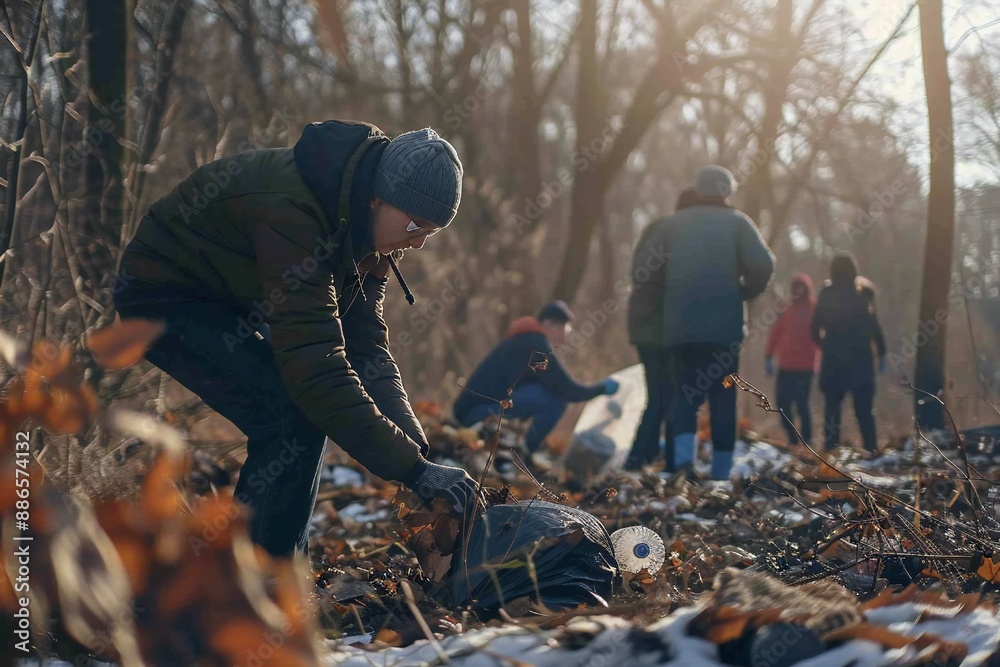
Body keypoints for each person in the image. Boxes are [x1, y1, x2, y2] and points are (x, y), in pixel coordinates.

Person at [113, 119, 480, 557]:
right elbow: (317, 367)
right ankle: (256, 592)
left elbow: (366, 349)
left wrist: (416, 451)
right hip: (163, 293)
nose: (418, 245)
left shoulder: (372, 233)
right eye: (415, 226)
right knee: (291, 418)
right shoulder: (295, 211)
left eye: (430, 234)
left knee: (298, 418)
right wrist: (413, 471)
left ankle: (268, 581)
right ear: (379, 197)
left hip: (231, 294)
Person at [644, 166, 775, 480]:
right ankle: (720, 474)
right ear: (726, 191)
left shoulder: (670, 226)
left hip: (680, 330)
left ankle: (681, 470)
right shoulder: (738, 224)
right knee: (722, 399)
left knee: (683, 397)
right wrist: (744, 292)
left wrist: (667, 299)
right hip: (724, 330)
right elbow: (764, 265)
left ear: (698, 189)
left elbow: (645, 271)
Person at [453, 300, 620, 459]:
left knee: (542, 391)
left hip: (471, 413)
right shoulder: (536, 347)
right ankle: (524, 454)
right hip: (476, 416)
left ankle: (516, 448)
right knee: (556, 400)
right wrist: (602, 388)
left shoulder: (521, 341)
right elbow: (570, 391)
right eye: (564, 330)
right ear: (548, 324)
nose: (564, 337)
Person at [624, 187, 701, 471]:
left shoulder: (658, 227)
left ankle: (645, 459)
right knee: (665, 396)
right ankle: (644, 462)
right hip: (658, 329)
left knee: (662, 395)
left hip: (646, 325)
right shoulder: (676, 233)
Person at [811, 253, 887, 453]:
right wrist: (882, 352)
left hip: (833, 362)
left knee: (832, 412)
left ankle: (830, 453)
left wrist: (825, 346)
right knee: (864, 412)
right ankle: (871, 451)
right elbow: (874, 326)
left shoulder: (826, 294)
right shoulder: (864, 294)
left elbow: (813, 329)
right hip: (861, 361)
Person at [765, 274, 820, 445]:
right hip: (786, 366)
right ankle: (792, 440)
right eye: (796, 288)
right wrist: (768, 355)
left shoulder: (814, 308)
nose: (798, 291)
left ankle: (808, 443)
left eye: (801, 288)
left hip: (806, 367)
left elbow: (820, 335)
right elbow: (777, 332)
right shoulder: (786, 308)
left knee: (802, 405)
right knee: (782, 404)